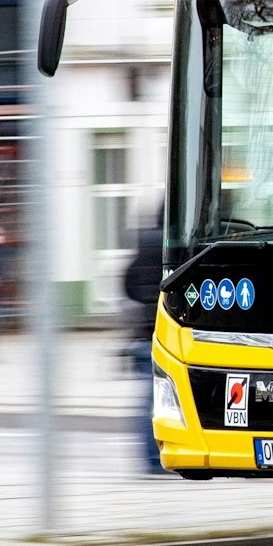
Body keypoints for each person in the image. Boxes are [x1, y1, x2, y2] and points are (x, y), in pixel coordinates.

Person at [121, 203, 165, 474]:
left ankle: (149, 456)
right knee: (156, 400)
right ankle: (154, 458)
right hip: (160, 335)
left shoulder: (145, 241)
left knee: (146, 399)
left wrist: (144, 303)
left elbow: (127, 283)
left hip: (141, 334)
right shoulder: (175, 245)